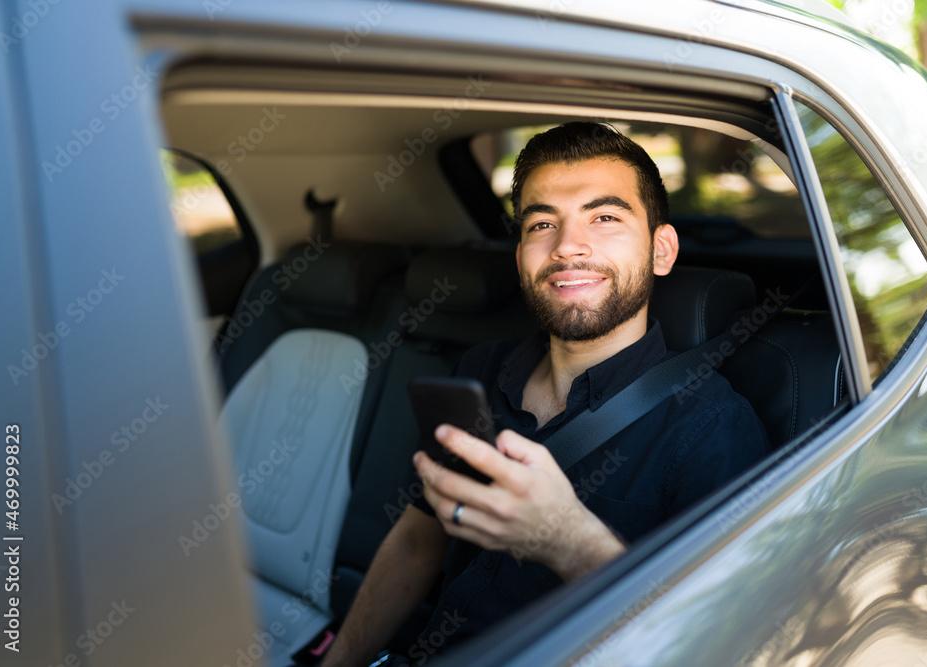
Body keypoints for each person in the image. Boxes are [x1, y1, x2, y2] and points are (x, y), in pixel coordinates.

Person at [321, 122, 769, 666]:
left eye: (604, 218)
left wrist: (567, 539)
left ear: (661, 249)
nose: (567, 247)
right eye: (541, 224)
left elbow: (717, 645)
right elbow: (419, 541)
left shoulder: (712, 428)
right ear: (520, 256)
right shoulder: (478, 374)